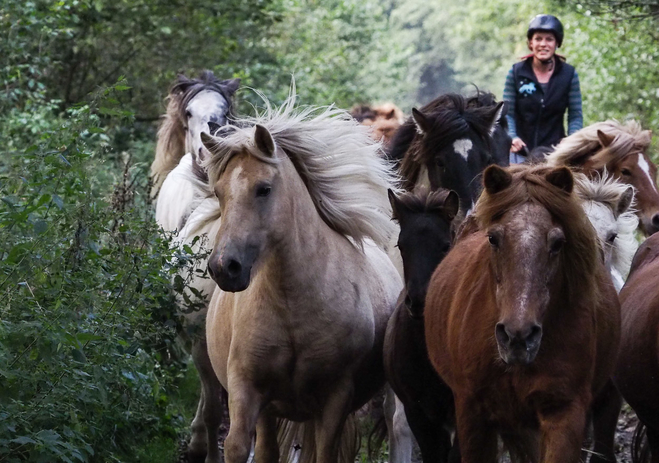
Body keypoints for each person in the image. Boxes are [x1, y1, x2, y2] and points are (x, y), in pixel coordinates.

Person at [503, 14, 583, 164]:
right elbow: (508, 113)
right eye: (538, 39)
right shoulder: (516, 73)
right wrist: (512, 136)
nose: (543, 44)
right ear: (530, 43)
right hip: (520, 150)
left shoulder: (569, 74)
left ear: (556, 43)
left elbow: (575, 115)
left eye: (549, 39)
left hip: (556, 152)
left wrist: (571, 140)